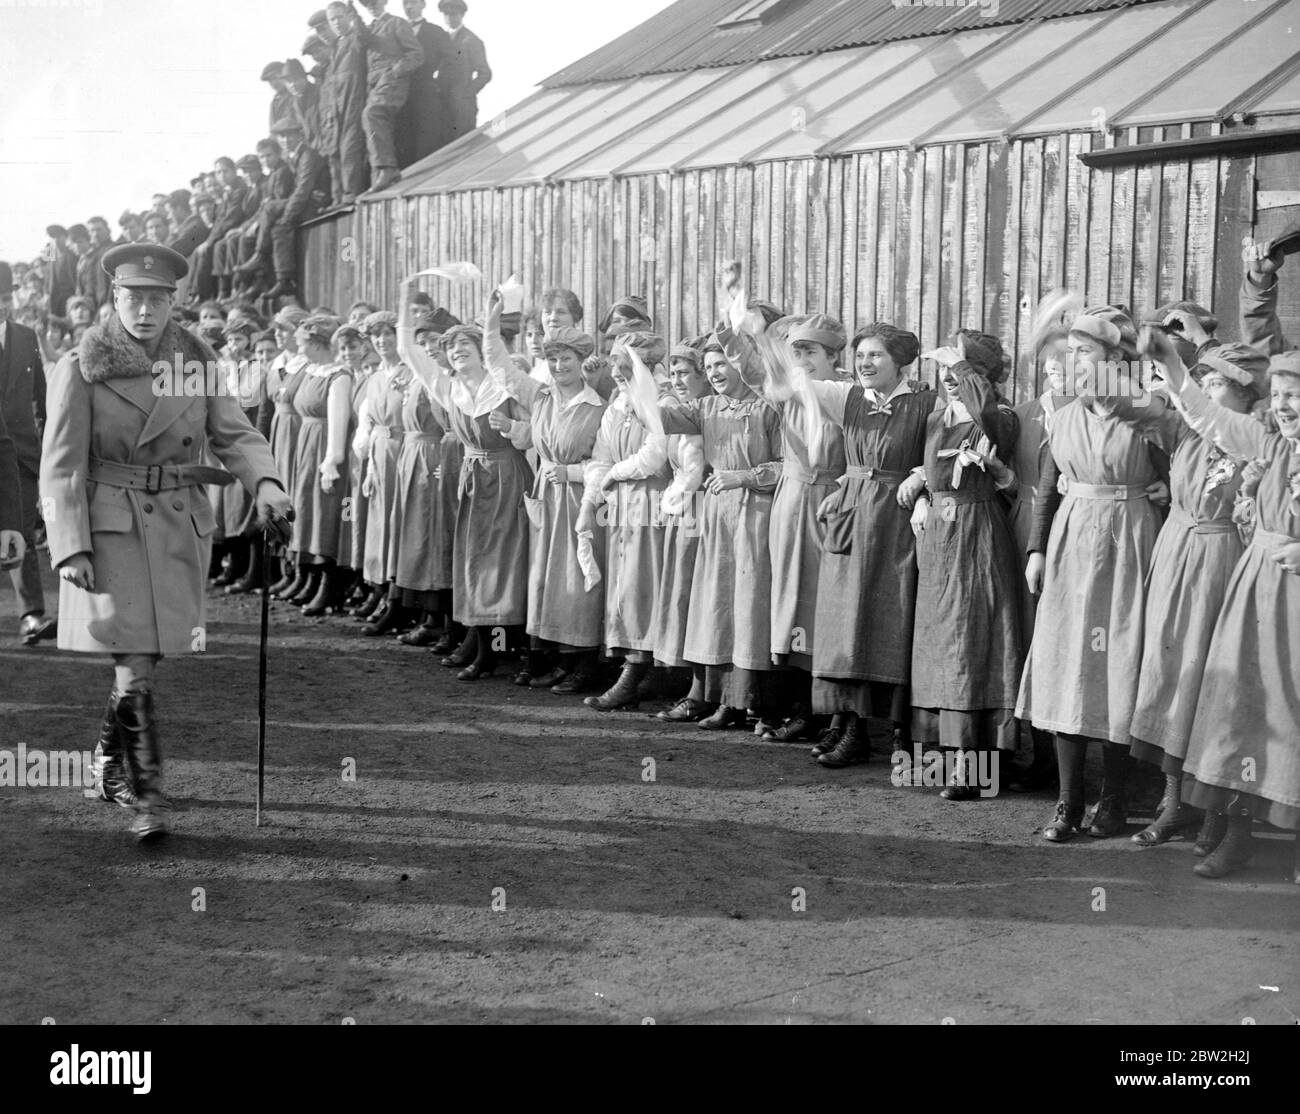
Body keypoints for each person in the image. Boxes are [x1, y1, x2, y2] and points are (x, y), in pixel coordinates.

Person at [39, 244, 292, 842]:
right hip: (111, 529)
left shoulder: (198, 365)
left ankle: (105, 764)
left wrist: (269, 484)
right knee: (134, 663)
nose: (145, 311)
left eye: (156, 299)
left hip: (178, 526)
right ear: (115, 300)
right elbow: (60, 466)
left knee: (144, 655)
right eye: (133, 299)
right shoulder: (81, 366)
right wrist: (69, 543)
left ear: (174, 302)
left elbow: (235, 434)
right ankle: (147, 797)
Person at [1140, 329, 1300, 883]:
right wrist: (1171, 366)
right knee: (1239, 708)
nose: (1283, 406)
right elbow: (1208, 418)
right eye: (1278, 395)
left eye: (1294, 395)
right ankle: (1237, 839)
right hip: (1256, 593)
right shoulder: (1268, 444)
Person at [1017, 305, 1180, 842]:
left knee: (1117, 669)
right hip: (1072, 542)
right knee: (1069, 668)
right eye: (1075, 351)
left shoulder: (1145, 409)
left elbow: (1186, 469)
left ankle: (1112, 802)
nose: (1075, 360)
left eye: (1086, 350)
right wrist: (1037, 550)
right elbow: (1046, 487)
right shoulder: (1062, 415)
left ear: (1116, 358)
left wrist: (1166, 490)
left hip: (1131, 542)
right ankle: (1069, 802)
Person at [1127, 341, 1270, 845]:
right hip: (1176, 556)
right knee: (1168, 677)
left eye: (1214, 384)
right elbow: (1132, 409)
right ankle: (1172, 805)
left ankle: (1214, 814)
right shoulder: (1184, 434)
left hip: (1220, 561)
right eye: (1202, 383)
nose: (1202, 394)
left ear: (1245, 393)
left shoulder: (1256, 441)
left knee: (1208, 684)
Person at [789, 323, 933, 765]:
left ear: (900, 363)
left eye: (876, 356)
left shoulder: (928, 402)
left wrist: (922, 476)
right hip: (851, 514)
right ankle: (849, 728)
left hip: (897, 519)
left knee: (894, 620)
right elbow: (789, 383)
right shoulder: (845, 396)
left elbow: (957, 444)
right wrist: (750, 333)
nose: (865, 364)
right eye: (861, 356)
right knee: (844, 623)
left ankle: (899, 736)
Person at [904, 332, 1023, 798]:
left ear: (983, 376)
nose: (951, 380)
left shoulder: (999, 418)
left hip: (978, 532)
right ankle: (947, 755)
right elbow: (932, 472)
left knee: (974, 639)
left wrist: (965, 372)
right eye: (947, 371)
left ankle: (982, 764)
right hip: (938, 534)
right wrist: (923, 494)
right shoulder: (936, 418)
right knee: (940, 639)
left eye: (963, 371)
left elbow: (990, 419)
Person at [650, 322, 782, 728]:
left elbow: (787, 466)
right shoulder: (705, 409)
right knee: (717, 605)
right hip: (717, 517)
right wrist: (637, 374)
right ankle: (719, 698)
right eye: (708, 366)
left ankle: (747, 701)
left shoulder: (767, 407)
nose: (715, 372)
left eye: (722, 363)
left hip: (756, 515)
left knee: (748, 606)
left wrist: (741, 477)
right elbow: (659, 417)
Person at [398, 284, 532, 679]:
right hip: (473, 480)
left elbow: (536, 431)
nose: (457, 356)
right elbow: (409, 351)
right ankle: (481, 648)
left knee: (504, 565)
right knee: (475, 562)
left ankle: (501, 650)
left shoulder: (504, 385)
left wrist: (511, 427)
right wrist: (405, 302)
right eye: (452, 353)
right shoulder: (449, 387)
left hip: (508, 478)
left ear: (481, 354)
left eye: (465, 351)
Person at [486, 317, 606, 689]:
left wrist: (570, 474)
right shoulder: (541, 397)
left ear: (581, 360)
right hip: (546, 496)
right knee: (547, 578)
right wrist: (492, 322)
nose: (559, 367)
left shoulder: (598, 407)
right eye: (553, 359)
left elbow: (607, 464)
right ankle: (555, 659)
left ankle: (584, 666)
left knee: (576, 578)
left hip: (578, 500)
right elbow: (502, 370)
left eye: (566, 359)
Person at [652, 340, 713, 720]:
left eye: (684, 373)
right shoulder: (682, 412)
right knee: (683, 595)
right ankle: (692, 683)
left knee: (698, 599)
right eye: (672, 373)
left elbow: (693, 475)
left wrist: (667, 504)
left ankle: (702, 690)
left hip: (701, 510)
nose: (677, 380)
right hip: (683, 512)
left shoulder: (702, 416)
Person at [0, 262, 54, 644]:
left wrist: (49, 445)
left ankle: (32, 615)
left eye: (4, 298)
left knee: (22, 532)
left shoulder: (26, 336)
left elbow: (42, 400)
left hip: (20, 454)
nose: (1, 306)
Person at [353, 309, 414, 632]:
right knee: (378, 524)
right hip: (379, 454)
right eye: (376, 336)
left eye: (387, 334)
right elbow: (367, 420)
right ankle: (378, 590)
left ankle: (396, 600)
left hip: (403, 452)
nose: (381, 341)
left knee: (398, 523)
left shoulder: (410, 373)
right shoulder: (375, 377)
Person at [287, 314, 353, 613]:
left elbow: (339, 422)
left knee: (325, 514)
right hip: (306, 444)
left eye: (303, 343)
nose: (299, 348)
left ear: (318, 343)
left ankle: (330, 586)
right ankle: (310, 579)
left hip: (324, 446)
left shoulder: (339, 377)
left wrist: (332, 460)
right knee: (306, 510)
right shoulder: (312, 370)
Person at [242, 121, 331, 301]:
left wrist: (288, 216)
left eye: (290, 135)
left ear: (300, 135)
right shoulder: (295, 156)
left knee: (271, 209)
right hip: (305, 201)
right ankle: (284, 279)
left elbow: (303, 189)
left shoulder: (308, 155)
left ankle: (260, 255)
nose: (285, 140)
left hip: (314, 201)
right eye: (281, 136)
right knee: (278, 229)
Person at [356, 0, 425, 192]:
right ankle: (379, 174)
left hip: (392, 82)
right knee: (372, 123)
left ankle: (387, 169)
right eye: (366, 3)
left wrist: (395, 71)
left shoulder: (397, 23)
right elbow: (362, 37)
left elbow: (417, 54)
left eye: (375, 1)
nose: (371, 5)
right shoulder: (370, 29)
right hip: (376, 85)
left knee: (372, 114)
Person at [326, 2, 371, 204]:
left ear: (348, 16)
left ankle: (351, 193)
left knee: (351, 148)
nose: (336, 22)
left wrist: (354, 13)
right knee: (337, 151)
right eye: (332, 19)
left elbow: (364, 35)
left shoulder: (355, 38)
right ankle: (340, 196)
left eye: (339, 17)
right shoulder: (335, 47)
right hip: (338, 106)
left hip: (355, 100)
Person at [400, 0, 451, 164]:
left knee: (426, 144)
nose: (409, 7)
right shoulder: (396, 30)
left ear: (423, 5)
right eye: (405, 3)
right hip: (400, 93)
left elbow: (451, 62)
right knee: (403, 142)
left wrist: (437, 86)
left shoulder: (436, 32)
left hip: (425, 93)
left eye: (413, 2)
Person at [437, 0, 490, 143]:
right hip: (442, 102)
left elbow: (485, 73)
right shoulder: (441, 38)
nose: (449, 18)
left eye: (453, 14)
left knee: (462, 145)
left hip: (462, 107)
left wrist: (466, 93)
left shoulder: (471, 40)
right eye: (446, 14)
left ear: (462, 15)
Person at [42, 225, 78, 317]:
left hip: (71, 298)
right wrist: (46, 293)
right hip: (55, 300)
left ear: (65, 238)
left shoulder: (73, 255)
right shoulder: (50, 258)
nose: (56, 240)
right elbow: (47, 279)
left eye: (59, 237)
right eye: (53, 237)